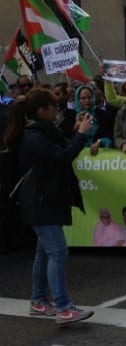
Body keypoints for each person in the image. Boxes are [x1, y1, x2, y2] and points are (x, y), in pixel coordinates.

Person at [6, 88, 95, 323]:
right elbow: (64, 155)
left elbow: (59, 147)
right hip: (39, 202)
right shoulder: (34, 136)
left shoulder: (43, 131)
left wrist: (75, 130)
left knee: (44, 253)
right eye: (54, 106)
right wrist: (82, 134)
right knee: (57, 252)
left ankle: (38, 301)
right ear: (42, 110)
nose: (58, 109)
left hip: (45, 200)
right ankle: (64, 307)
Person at [60, 85, 114, 156]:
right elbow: (65, 138)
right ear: (78, 100)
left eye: (89, 97)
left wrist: (100, 142)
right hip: (77, 158)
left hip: (99, 157)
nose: (87, 100)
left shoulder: (102, 115)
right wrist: (76, 126)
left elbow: (110, 135)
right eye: (83, 98)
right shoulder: (70, 116)